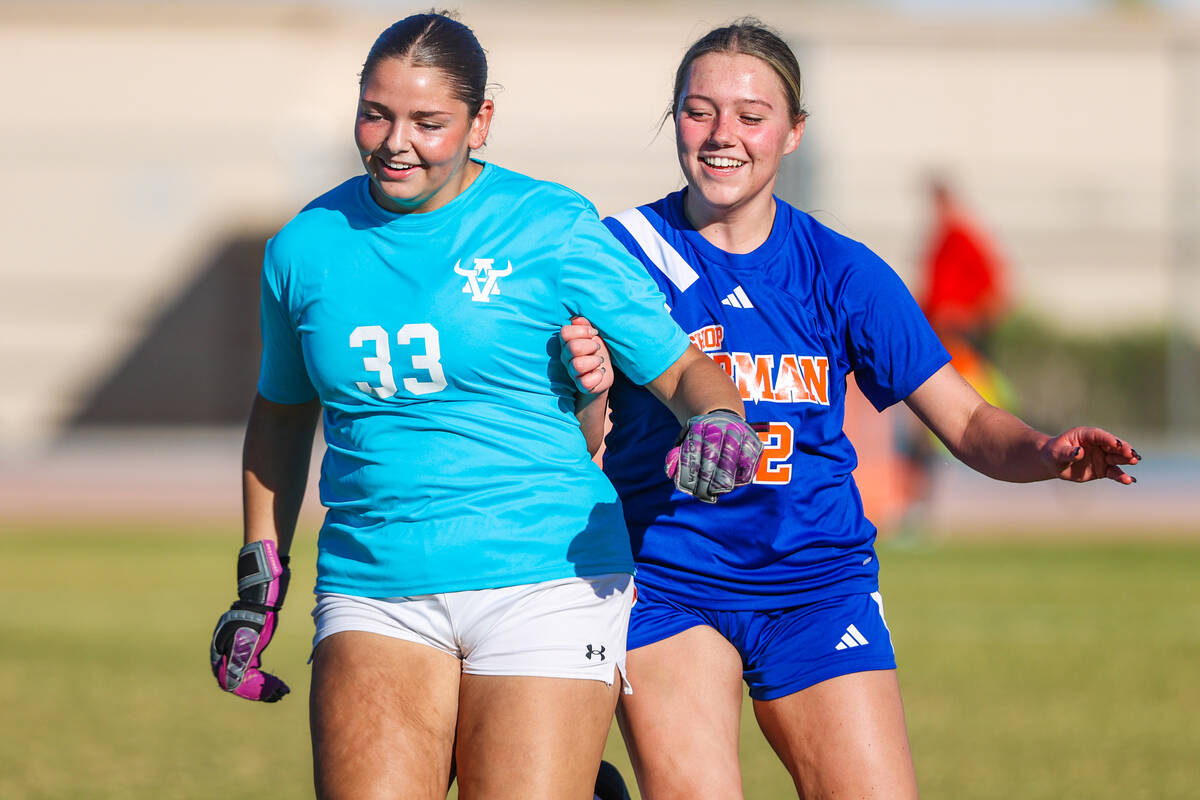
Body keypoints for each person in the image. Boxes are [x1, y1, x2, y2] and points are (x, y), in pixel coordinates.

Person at [559, 18, 1140, 800]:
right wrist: (587, 389)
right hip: (670, 581)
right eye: (700, 111)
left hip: (817, 582)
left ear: (793, 133)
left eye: (752, 115)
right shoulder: (620, 253)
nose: (723, 135)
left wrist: (1045, 452)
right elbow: (583, 439)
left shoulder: (842, 271)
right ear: (675, 121)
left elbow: (966, 422)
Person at [206, 13, 761, 800]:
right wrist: (260, 578)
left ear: (481, 123)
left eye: (429, 123)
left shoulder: (550, 225)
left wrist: (719, 419)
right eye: (376, 113)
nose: (396, 141)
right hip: (374, 585)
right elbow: (283, 412)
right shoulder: (303, 246)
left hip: (545, 578)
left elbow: (681, 370)